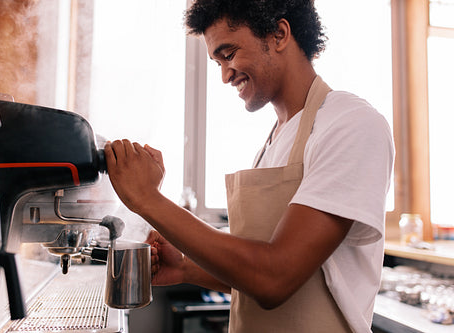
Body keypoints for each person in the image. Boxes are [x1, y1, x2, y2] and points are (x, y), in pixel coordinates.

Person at [104, 0, 394, 332]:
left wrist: (147, 198)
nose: (226, 75)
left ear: (279, 34)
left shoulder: (351, 124)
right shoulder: (275, 140)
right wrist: (187, 268)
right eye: (217, 63)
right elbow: (254, 274)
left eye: (228, 55)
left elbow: (275, 277)